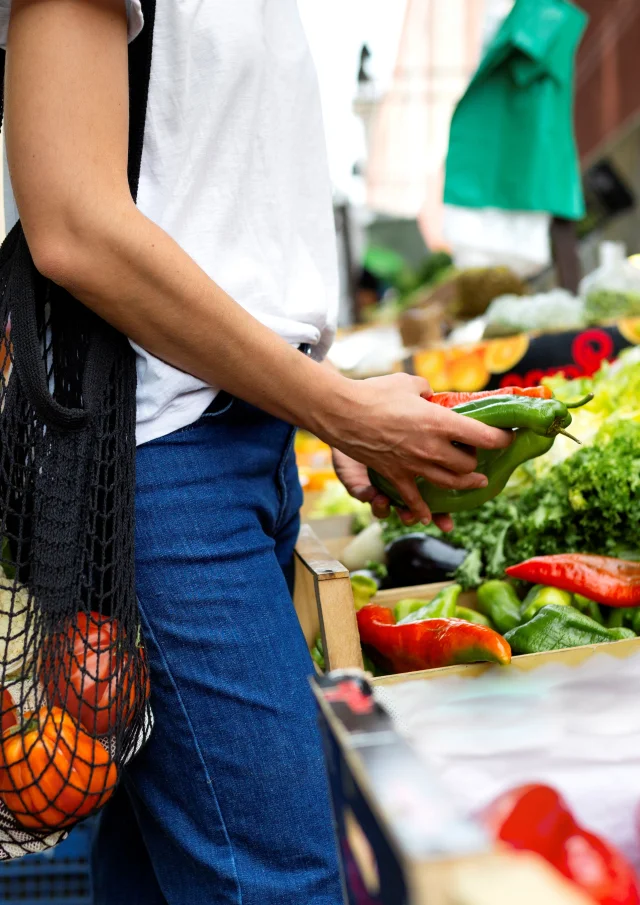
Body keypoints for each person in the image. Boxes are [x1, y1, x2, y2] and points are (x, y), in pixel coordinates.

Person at [1, 1, 511, 903]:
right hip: (158, 466)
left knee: (170, 877)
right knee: (284, 881)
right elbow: (73, 222)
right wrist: (339, 410)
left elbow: (217, 232)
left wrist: (327, 392)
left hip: (240, 453)